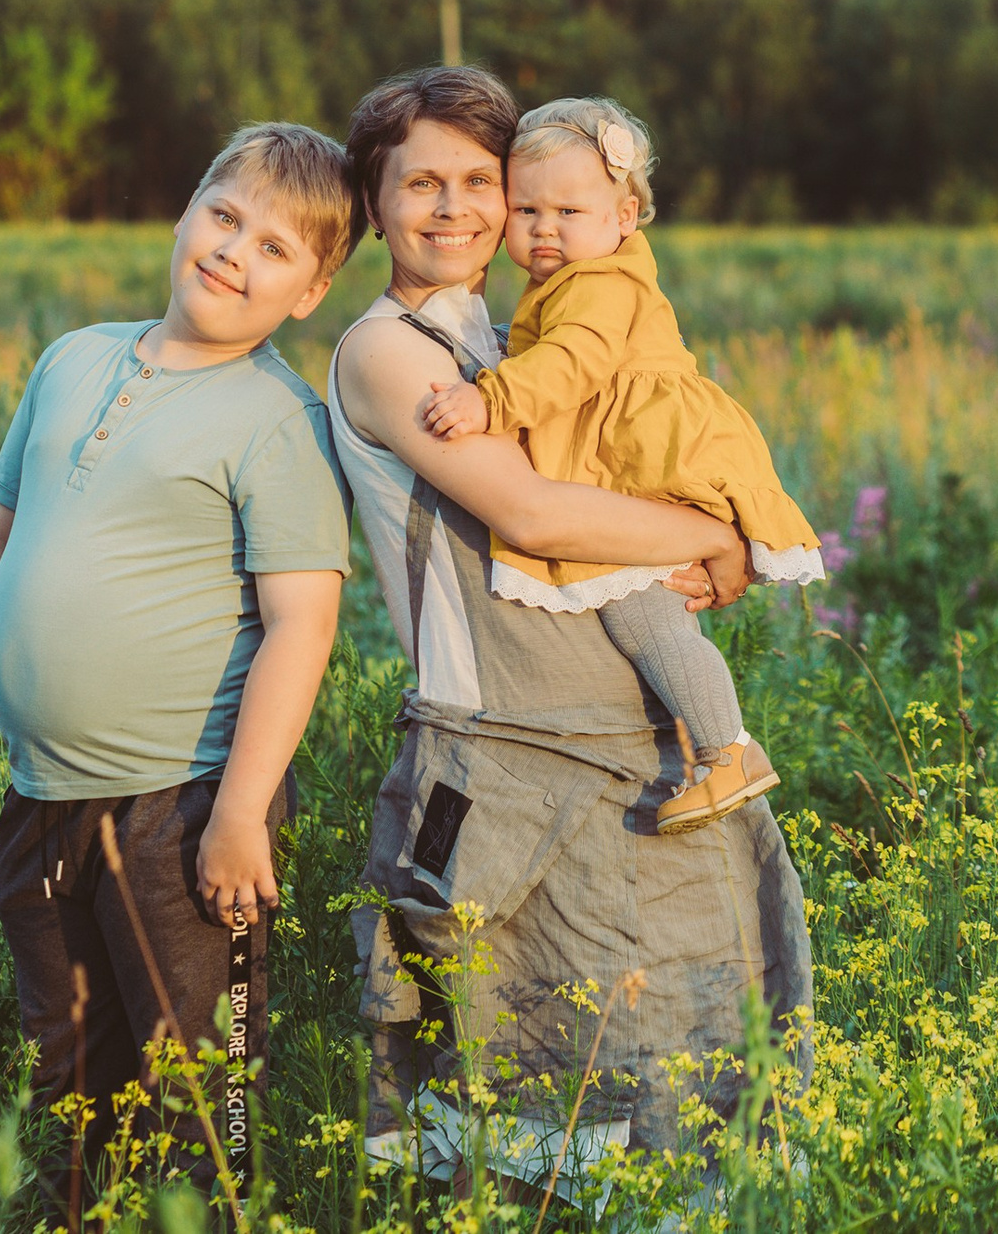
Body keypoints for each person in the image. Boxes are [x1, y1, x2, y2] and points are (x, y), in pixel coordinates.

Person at [328, 65, 813, 1185]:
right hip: (505, 765)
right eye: (420, 185)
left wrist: (716, 528)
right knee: (525, 1096)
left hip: (627, 758)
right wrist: (707, 537)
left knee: (682, 1085)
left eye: (480, 183)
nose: (455, 209)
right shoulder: (390, 350)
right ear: (374, 201)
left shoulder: (509, 340)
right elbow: (532, 510)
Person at [0, 122, 358, 1205]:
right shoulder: (75, 358)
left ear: (308, 294)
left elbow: (301, 627)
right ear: (183, 212)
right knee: (65, 1073)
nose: (232, 252)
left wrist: (243, 811)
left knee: (195, 1091)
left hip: (184, 809)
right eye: (224, 217)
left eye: (273, 248)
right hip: (40, 797)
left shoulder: (275, 423)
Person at [418, 96, 826, 833]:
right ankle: (714, 746)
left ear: (625, 214)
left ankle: (726, 750)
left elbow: (574, 361)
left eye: (569, 211)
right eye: (527, 210)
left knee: (647, 617)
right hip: (636, 455)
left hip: (654, 459)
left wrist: (493, 398)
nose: (546, 228)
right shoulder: (578, 275)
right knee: (650, 609)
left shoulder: (601, 282)